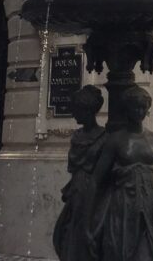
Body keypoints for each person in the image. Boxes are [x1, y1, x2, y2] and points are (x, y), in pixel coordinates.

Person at [87, 85, 153, 261]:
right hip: (121, 211)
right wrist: (89, 221)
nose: (140, 111)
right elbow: (96, 180)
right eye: (136, 107)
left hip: (149, 211)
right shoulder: (115, 141)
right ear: (127, 109)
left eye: (144, 107)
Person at [53, 85, 107, 261]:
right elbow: (72, 167)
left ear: (87, 110)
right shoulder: (76, 136)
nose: (73, 114)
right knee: (70, 232)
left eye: (76, 110)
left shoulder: (104, 137)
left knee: (90, 231)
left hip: (96, 193)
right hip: (76, 191)